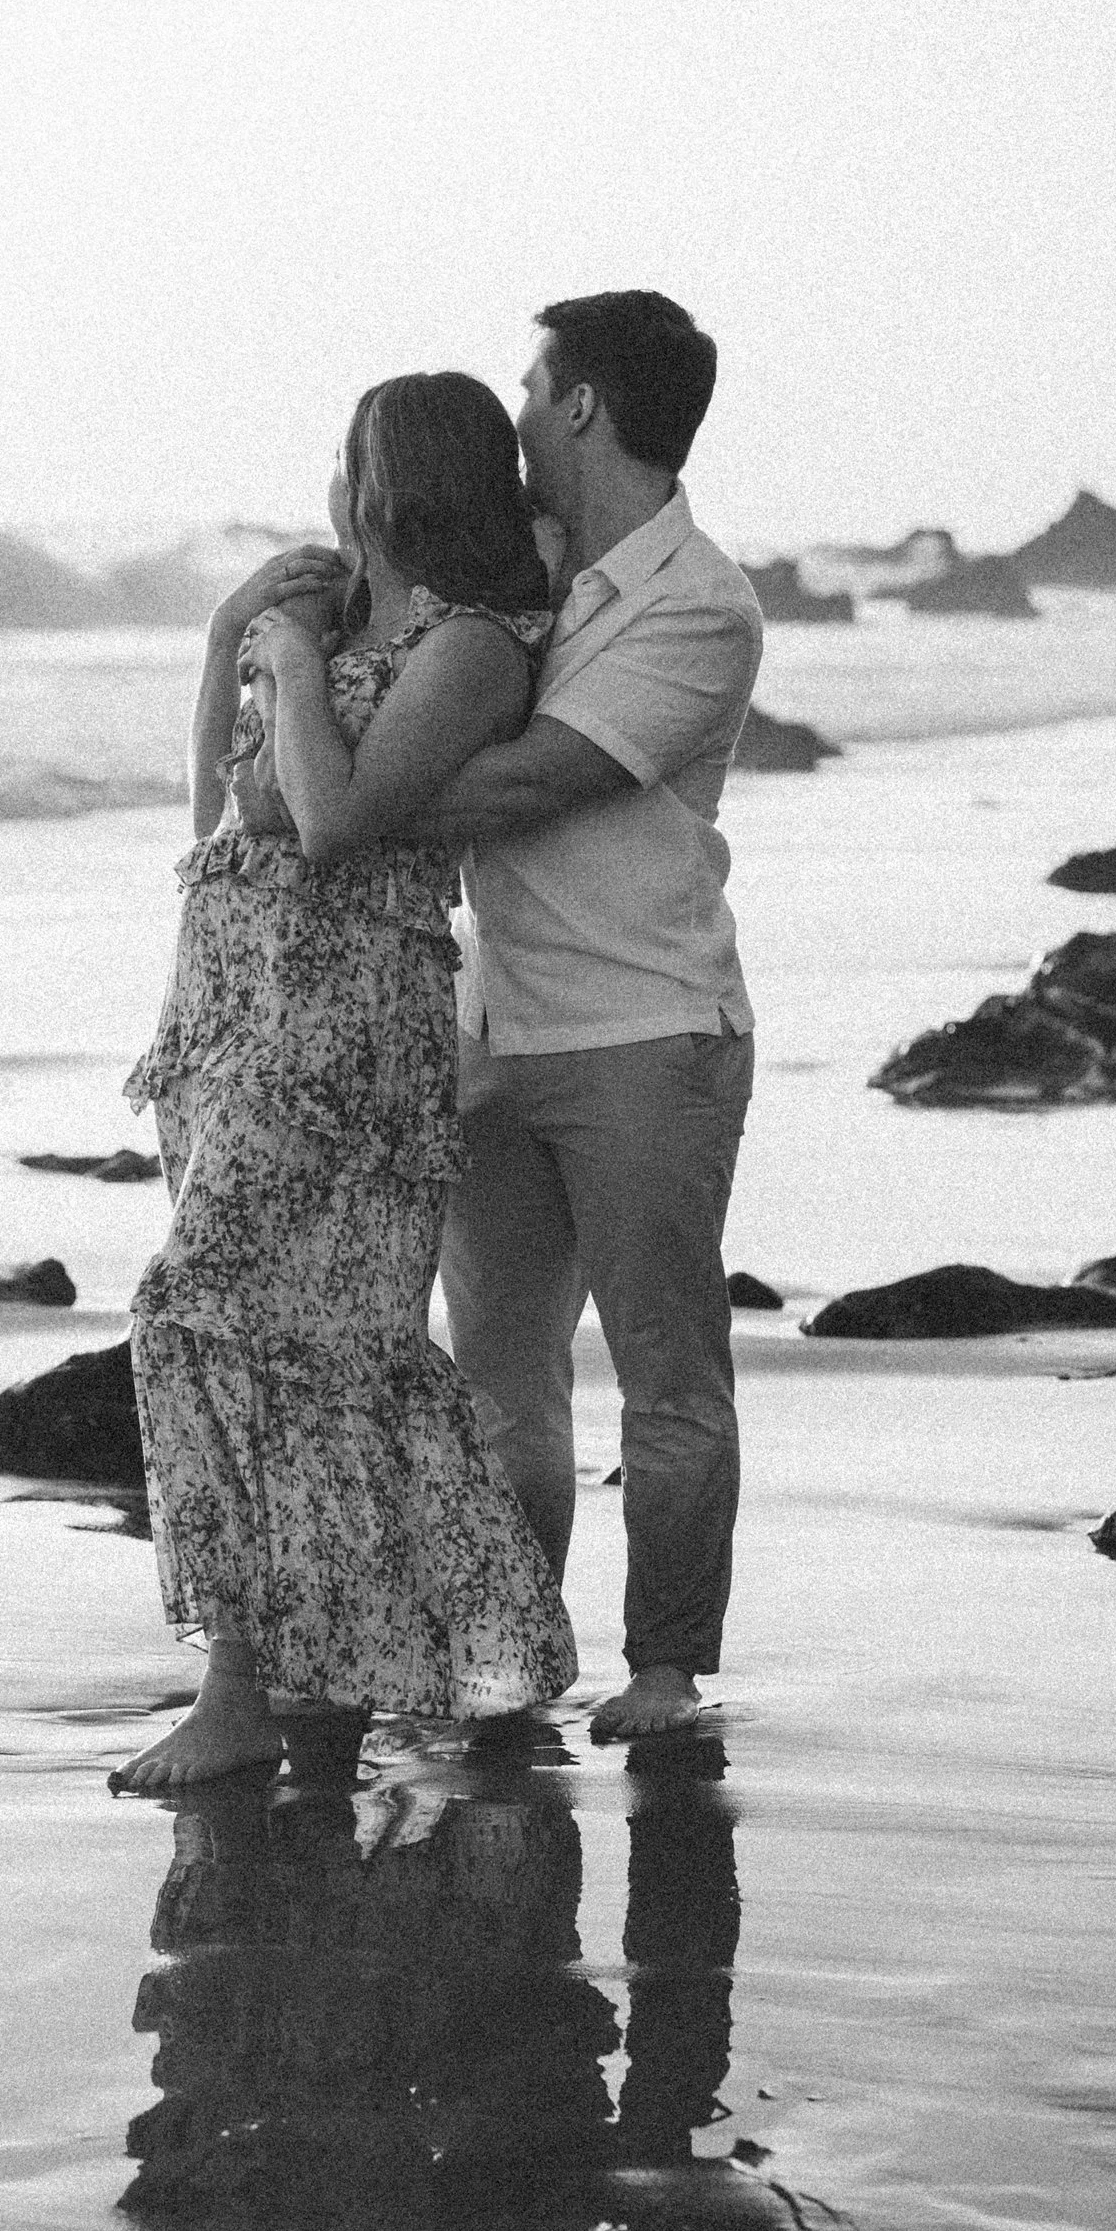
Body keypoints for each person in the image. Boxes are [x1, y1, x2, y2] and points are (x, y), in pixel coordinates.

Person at [110, 373, 577, 1795]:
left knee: (207, 1312)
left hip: (345, 1026)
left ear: (394, 481)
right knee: (284, 1340)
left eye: (347, 456)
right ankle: (339, 1661)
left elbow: (332, 820)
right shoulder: (326, 627)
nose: (329, 480)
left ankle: (249, 1682)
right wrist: (221, 648)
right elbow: (216, 822)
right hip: (232, 1006)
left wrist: (292, 663)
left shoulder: (473, 646)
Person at [429, 292, 763, 1744]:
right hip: (496, 1027)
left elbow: (523, 781)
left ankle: (668, 1670)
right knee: (499, 1380)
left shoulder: (700, 601)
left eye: (527, 380)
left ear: (579, 404)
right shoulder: (519, 571)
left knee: (663, 1372)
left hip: (645, 1030)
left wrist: (323, 805)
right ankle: (512, 1649)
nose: (510, 408)